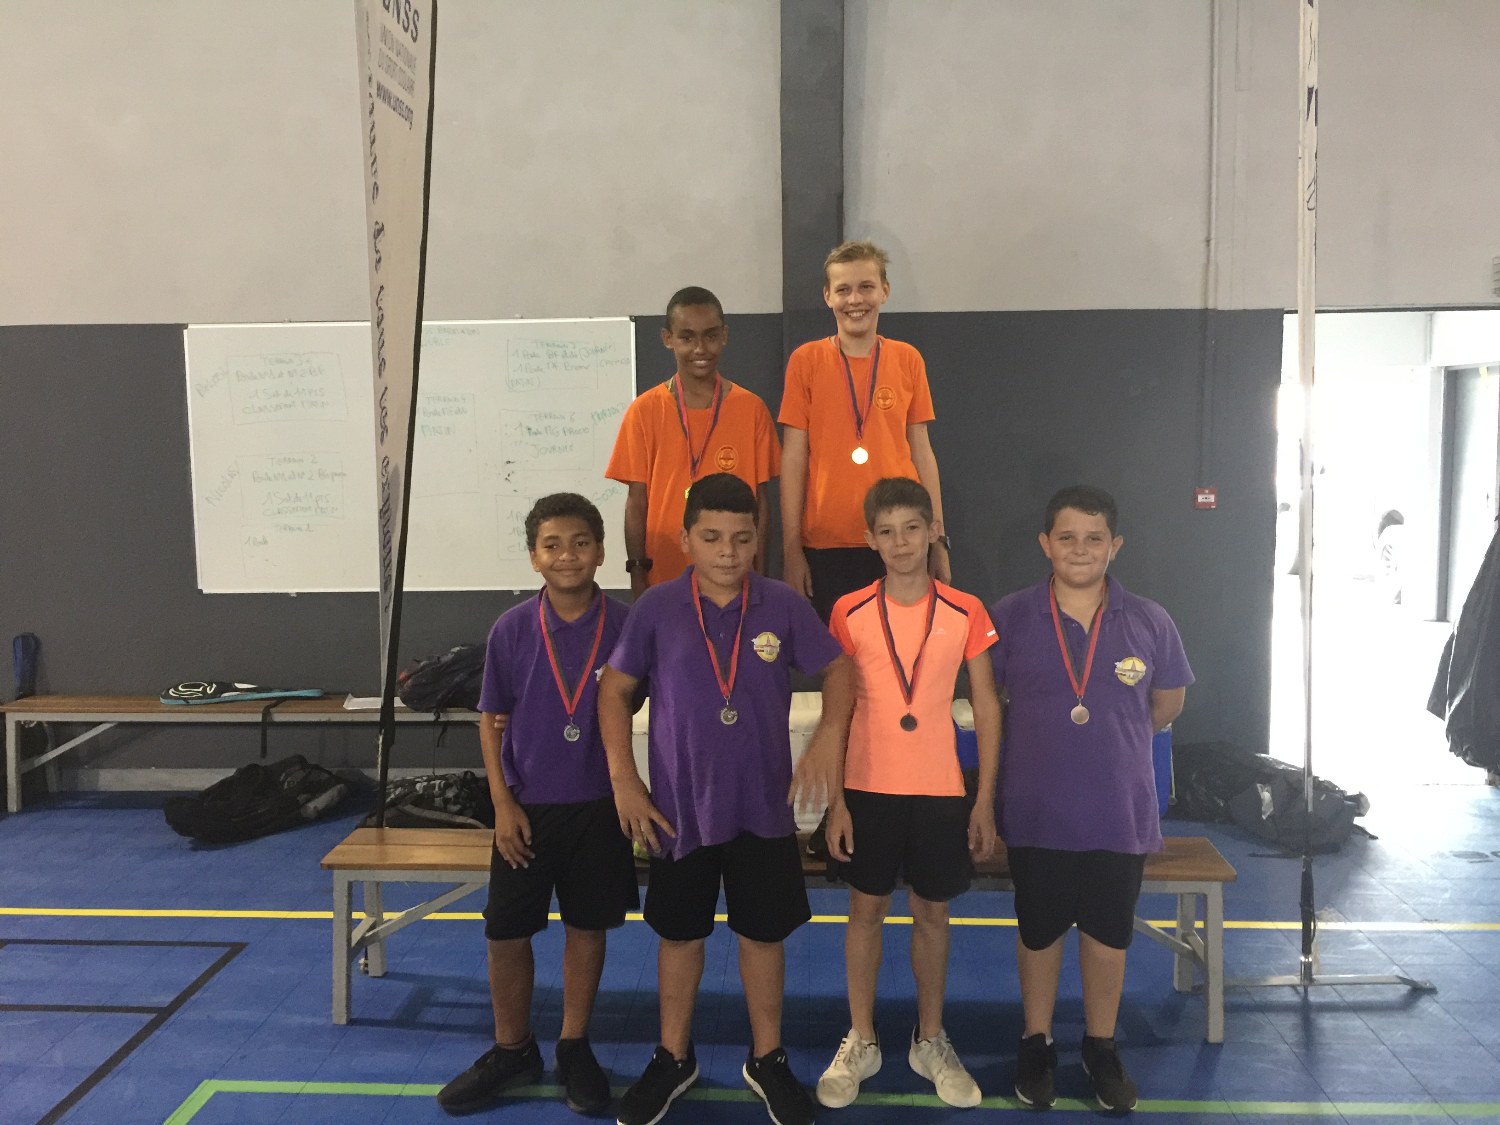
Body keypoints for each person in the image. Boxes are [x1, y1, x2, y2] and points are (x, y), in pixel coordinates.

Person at [598, 472, 855, 1125]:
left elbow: (838, 668)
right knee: (680, 935)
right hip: (678, 810)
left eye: (741, 538)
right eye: (711, 537)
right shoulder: (657, 607)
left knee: (763, 936)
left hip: (763, 808)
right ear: (686, 539)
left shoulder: (781, 603)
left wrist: (829, 735)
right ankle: (672, 1057)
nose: (727, 551)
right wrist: (625, 780)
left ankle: (767, 1058)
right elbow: (613, 692)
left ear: (757, 539)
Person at [988, 486, 1192, 1112]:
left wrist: (1115, 740)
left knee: (1108, 935)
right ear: (1045, 544)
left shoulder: (1150, 620)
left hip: (1117, 812)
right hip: (1036, 810)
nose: (1081, 549)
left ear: (1115, 546)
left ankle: (1100, 1045)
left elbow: (1167, 703)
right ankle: (1037, 1041)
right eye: (1067, 537)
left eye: (1094, 538)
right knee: (1039, 932)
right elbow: (987, 699)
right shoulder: (1010, 616)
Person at [437, 494, 638, 1117]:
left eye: (580, 543)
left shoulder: (627, 625)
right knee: (506, 930)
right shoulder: (512, 629)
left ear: (600, 551)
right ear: (533, 557)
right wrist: (502, 803)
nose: (567, 555)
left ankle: (574, 1046)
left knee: (587, 926)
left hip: (600, 806)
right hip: (526, 808)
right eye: (551, 545)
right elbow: (490, 720)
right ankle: (512, 1048)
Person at [816, 478, 1001, 1111]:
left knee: (932, 915)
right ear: (870, 539)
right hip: (868, 788)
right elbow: (837, 713)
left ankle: (930, 1038)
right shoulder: (848, 612)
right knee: (864, 913)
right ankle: (862, 1038)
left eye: (912, 529)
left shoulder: (966, 610)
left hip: (940, 790)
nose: (900, 543)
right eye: (887, 531)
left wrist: (983, 799)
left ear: (931, 533)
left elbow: (987, 707)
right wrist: (837, 802)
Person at [778, 240, 950, 623]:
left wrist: (938, 539)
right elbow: (793, 458)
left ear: (884, 291)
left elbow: (922, 452)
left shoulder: (907, 359)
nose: (855, 299)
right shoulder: (806, 361)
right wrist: (791, 549)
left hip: (899, 539)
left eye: (866, 287)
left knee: (899, 644)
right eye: (843, 289)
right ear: (828, 296)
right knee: (838, 652)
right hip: (826, 541)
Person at [606, 286, 781, 597]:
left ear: (724, 336)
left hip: (734, 576)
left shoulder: (751, 409)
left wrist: (760, 573)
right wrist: (637, 570)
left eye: (710, 336)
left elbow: (761, 503)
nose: (700, 348)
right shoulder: (644, 411)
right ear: (667, 339)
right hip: (663, 575)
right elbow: (637, 501)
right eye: (687, 338)